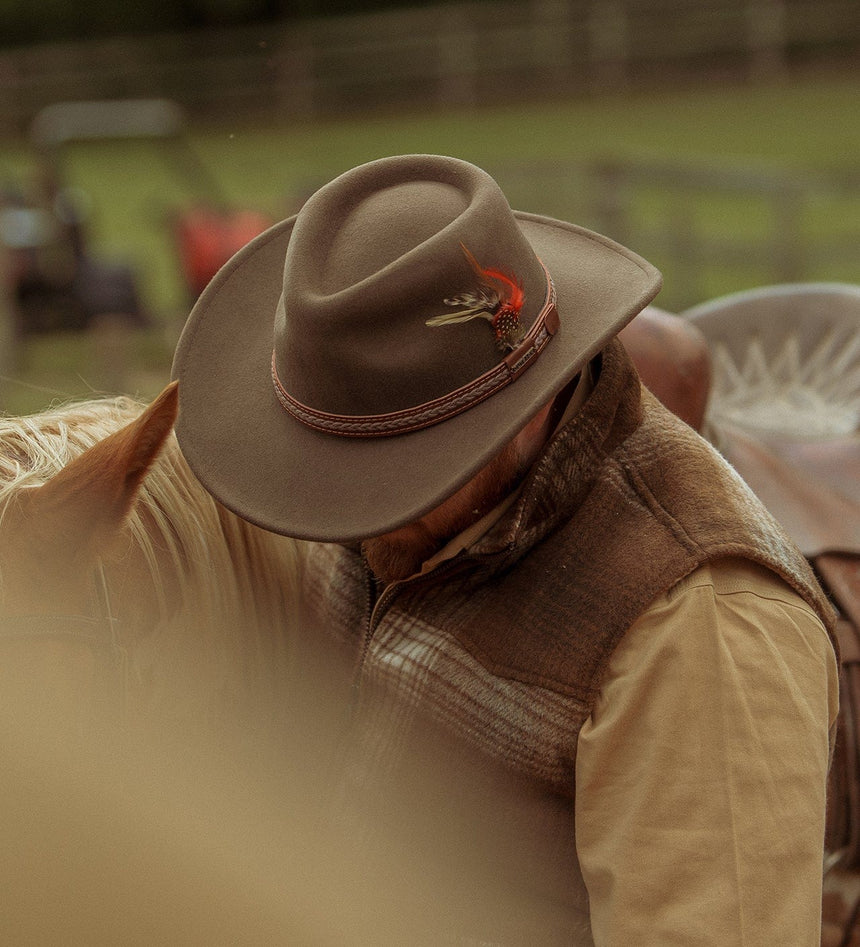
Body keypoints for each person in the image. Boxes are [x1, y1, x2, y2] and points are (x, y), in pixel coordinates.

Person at [172, 154, 839, 945]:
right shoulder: (376, 516)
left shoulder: (699, 628)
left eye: (394, 474)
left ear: (524, 408)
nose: (345, 511)